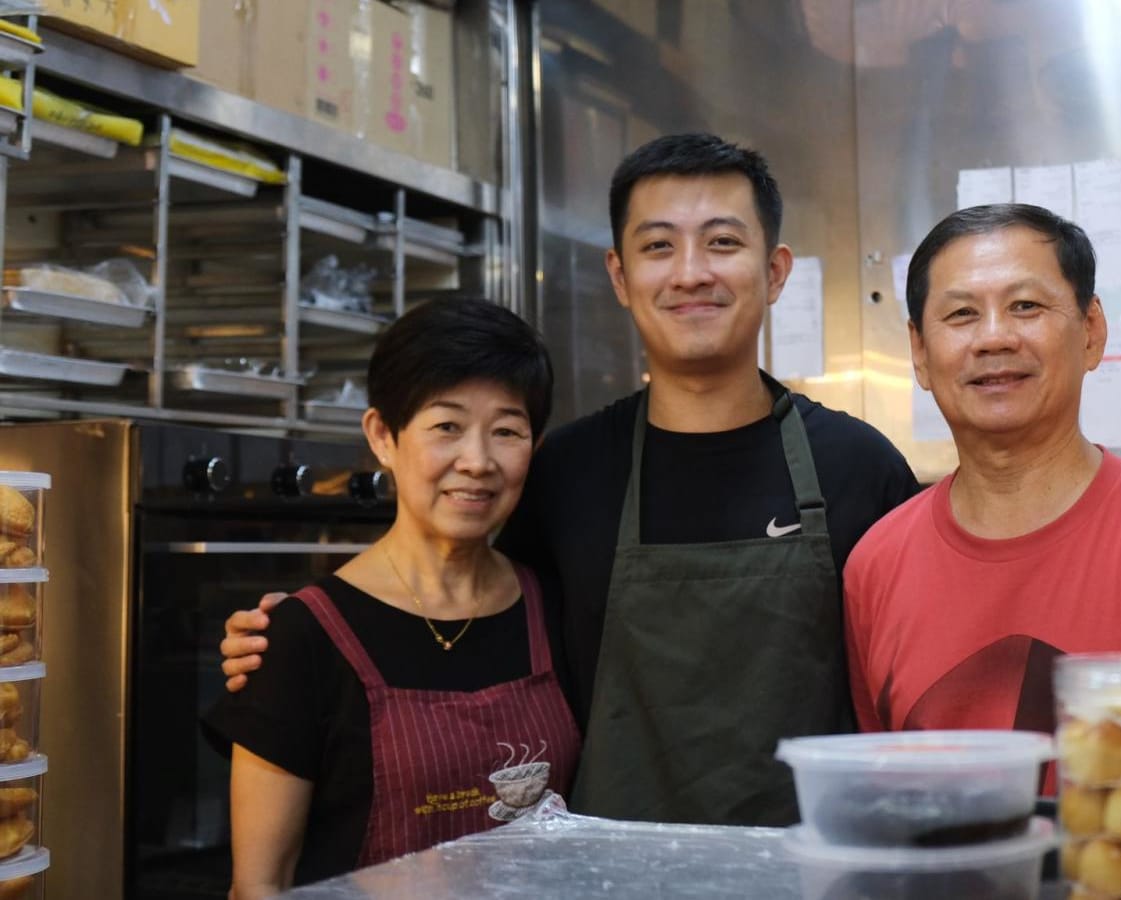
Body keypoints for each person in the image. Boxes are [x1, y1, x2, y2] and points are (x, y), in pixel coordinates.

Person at [222, 134, 924, 827]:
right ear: (619, 275)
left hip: (804, 872)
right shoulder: (566, 470)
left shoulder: (858, 466)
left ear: (774, 271)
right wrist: (300, 642)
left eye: (721, 242)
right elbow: (473, 619)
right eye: (658, 246)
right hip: (608, 872)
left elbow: (914, 689)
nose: (690, 273)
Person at [202, 298, 580, 896]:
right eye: (447, 426)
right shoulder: (300, 638)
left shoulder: (557, 609)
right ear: (383, 436)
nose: (478, 461)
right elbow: (259, 886)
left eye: (507, 431)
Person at [843, 204, 1121, 739]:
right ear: (919, 351)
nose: (994, 337)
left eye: (1025, 306)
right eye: (961, 314)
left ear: (1091, 331)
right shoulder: (875, 566)